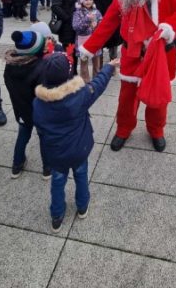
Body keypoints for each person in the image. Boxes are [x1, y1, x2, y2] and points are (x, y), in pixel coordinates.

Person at [78, 0, 176, 152]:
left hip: (160, 53)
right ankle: (123, 129)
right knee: (127, 97)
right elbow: (109, 21)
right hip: (132, 53)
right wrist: (88, 48)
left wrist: (169, 28)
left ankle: (156, 130)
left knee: (157, 97)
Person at [33, 52, 119, 232]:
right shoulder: (80, 96)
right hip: (79, 149)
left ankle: (56, 216)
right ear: (68, 74)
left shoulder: (38, 103)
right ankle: (82, 206)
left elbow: (40, 129)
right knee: (81, 176)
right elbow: (98, 84)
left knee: (57, 182)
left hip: (56, 154)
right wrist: (109, 67)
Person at [3, 23, 54, 179]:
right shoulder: (40, 68)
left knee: (23, 136)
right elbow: (45, 93)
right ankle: (47, 168)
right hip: (40, 113)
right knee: (44, 138)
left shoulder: (9, 68)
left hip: (22, 111)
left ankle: (16, 166)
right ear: (36, 51)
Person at [72, 0, 102, 82]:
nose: (88, 2)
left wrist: (97, 25)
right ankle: (85, 83)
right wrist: (87, 20)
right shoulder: (78, 12)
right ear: (82, 0)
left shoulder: (96, 12)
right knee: (84, 65)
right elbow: (76, 27)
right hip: (83, 42)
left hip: (95, 41)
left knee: (96, 64)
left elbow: (102, 23)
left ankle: (96, 82)